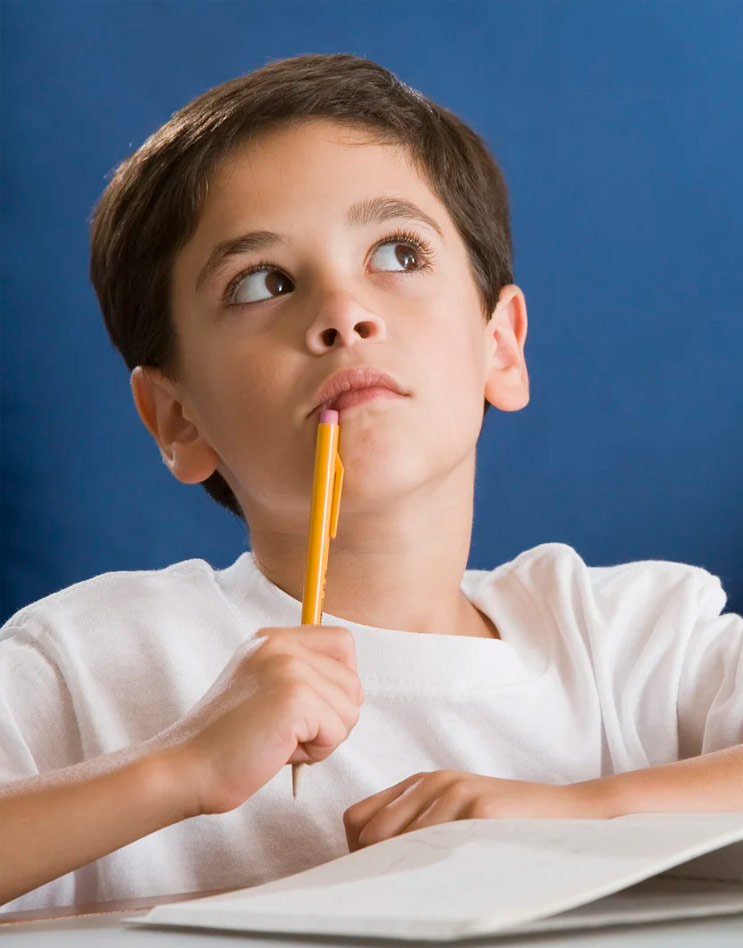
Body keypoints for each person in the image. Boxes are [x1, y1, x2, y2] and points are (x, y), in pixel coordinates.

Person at [1, 53, 741, 913]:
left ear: (500, 345)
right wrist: (179, 768)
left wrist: (572, 817)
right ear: (176, 418)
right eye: (260, 282)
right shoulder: (93, 662)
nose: (343, 311)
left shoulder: (628, 642)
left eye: (397, 252)